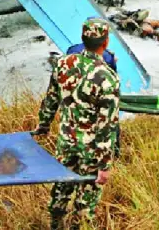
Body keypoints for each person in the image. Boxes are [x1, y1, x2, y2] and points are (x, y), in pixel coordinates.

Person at [34, 18, 119, 230]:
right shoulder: (108, 78)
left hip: (66, 142)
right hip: (92, 150)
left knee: (61, 188)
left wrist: (43, 125)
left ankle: (55, 224)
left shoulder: (63, 64)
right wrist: (105, 165)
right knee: (86, 200)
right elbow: (107, 125)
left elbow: (50, 100)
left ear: (82, 39)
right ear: (105, 43)